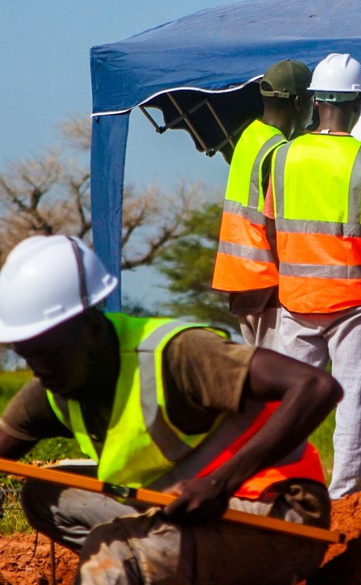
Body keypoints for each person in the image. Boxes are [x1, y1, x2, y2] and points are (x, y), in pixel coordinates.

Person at [0, 234, 342, 585]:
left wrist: (218, 484)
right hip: (185, 513)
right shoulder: (54, 383)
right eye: (28, 356)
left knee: (114, 554)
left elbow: (317, 387)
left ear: (93, 327)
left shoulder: (175, 354)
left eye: (52, 353)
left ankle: (128, 568)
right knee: (45, 494)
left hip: (278, 515)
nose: (40, 369)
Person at [263, 52, 361, 499]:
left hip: (296, 298)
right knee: (353, 398)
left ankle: (284, 487)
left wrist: (292, 273)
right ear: (357, 105)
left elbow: (271, 226)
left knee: (291, 401)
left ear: (316, 102)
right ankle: (346, 496)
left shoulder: (283, 156)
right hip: (356, 300)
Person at [212, 59, 314, 349]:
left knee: (257, 367)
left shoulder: (249, 136)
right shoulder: (278, 151)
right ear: (299, 102)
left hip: (240, 279)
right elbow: (278, 225)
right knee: (278, 369)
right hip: (267, 278)